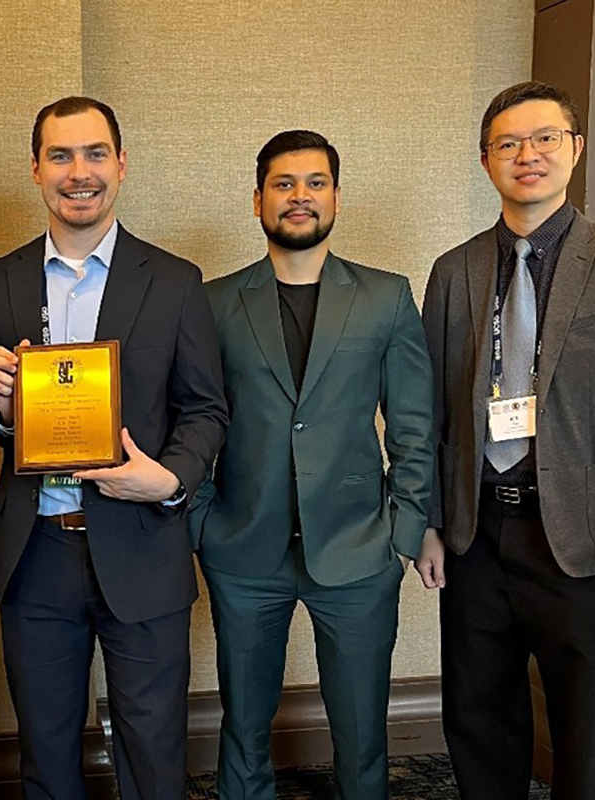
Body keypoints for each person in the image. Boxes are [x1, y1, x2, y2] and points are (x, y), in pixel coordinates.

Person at [0, 96, 228, 800]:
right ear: (36, 169)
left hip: (142, 544)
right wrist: (3, 414)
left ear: (122, 163)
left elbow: (206, 410)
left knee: (153, 747)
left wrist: (168, 479)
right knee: (45, 751)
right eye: (60, 156)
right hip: (36, 555)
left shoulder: (174, 282)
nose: (79, 172)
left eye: (95, 153)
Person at [419, 80, 595, 800]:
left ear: (575, 149)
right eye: (508, 143)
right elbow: (433, 409)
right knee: (478, 719)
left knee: (585, 732)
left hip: (582, 541)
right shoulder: (455, 270)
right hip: (476, 536)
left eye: (544, 140)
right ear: (485, 159)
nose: (526, 155)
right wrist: (431, 525)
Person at [191, 130, 434, 800]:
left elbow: (414, 423)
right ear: (257, 200)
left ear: (335, 196)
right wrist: (201, 523)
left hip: (358, 550)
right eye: (283, 184)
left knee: (362, 731)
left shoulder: (386, 297)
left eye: (316, 182)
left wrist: (405, 528)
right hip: (243, 549)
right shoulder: (212, 303)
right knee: (242, 727)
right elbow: (187, 419)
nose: (300, 197)